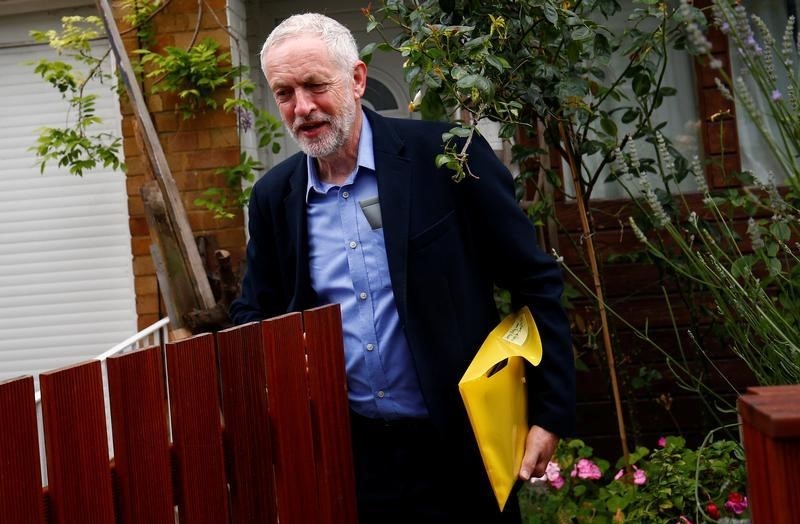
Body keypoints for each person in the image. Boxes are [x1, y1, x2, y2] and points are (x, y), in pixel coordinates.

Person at [229, 12, 575, 524]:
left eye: (315, 86)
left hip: (462, 443)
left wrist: (548, 414)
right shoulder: (275, 198)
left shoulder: (447, 158)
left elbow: (535, 281)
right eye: (284, 93)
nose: (302, 108)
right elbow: (253, 312)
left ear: (357, 79)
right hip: (352, 456)